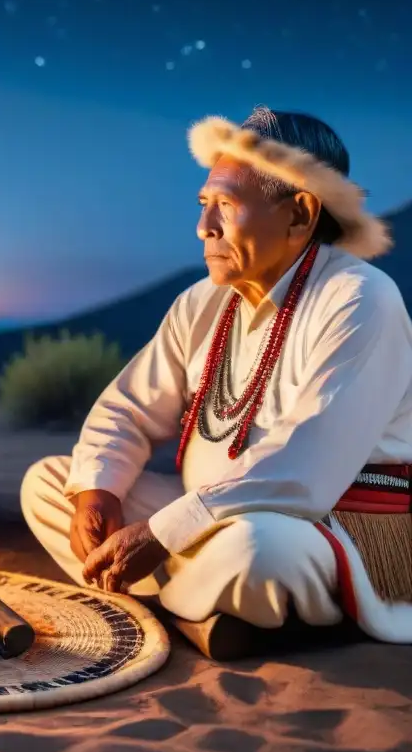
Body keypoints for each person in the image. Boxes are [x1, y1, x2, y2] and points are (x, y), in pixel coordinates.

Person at [21, 106, 412, 655]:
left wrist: (162, 533)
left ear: (300, 214)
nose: (203, 227)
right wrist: (98, 491)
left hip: (325, 525)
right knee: (50, 483)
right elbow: (128, 408)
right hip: (202, 521)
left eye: (226, 206)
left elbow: (308, 468)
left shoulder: (360, 298)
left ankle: (169, 608)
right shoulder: (203, 302)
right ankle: (204, 617)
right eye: (206, 205)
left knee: (257, 550)